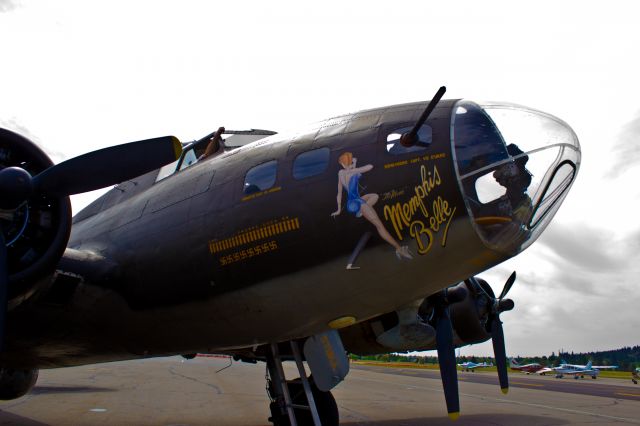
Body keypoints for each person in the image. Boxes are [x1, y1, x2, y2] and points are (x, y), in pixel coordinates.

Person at [331, 151, 412, 260]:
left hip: (353, 202)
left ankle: (361, 210)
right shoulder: (352, 171)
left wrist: (339, 209)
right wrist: (354, 165)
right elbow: (370, 167)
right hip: (357, 203)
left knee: (374, 196)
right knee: (379, 225)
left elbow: (339, 193)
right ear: (348, 162)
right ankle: (399, 249)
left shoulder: (340, 173)